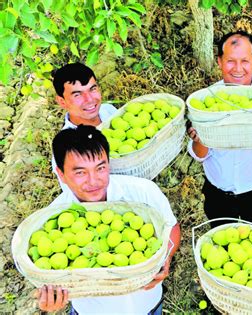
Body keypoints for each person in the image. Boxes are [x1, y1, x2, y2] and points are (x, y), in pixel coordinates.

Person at [37, 125, 181, 314]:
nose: (93, 180)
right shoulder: (54, 219)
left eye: (100, 168)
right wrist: (52, 299)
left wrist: (167, 257)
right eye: (80, 172)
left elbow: (172, 227)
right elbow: (52, 277)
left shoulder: (143, 191)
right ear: (61, 174)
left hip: (149, 306)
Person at [187, 31, 252, 227]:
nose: (237, 69)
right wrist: (199, 140)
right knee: (220, 244)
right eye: (230, 61)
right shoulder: (207, 101)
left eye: (244, 61)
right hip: (218, 191)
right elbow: (200, 155)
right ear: (219, 61)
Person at [52, 62, 118, 190]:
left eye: (92, 89)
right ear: (62, 101)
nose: (89, 99)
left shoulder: (108, 111)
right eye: (77, 94)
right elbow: (79, 195)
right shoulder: (67, 148)